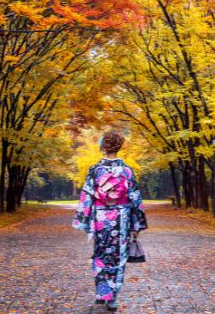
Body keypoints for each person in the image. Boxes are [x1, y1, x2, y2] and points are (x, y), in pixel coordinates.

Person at [72, 131, 148, 312]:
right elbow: (135, 198)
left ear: (102, 147)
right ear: (119, 146)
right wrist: (137, 224)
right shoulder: (127, 170)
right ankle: (112, 298)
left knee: (100, 253)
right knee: (119, 256)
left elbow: (87, 196)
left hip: (101, 217)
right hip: (122, 218)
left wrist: (85, 221)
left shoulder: (95, 169)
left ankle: (101, 293)